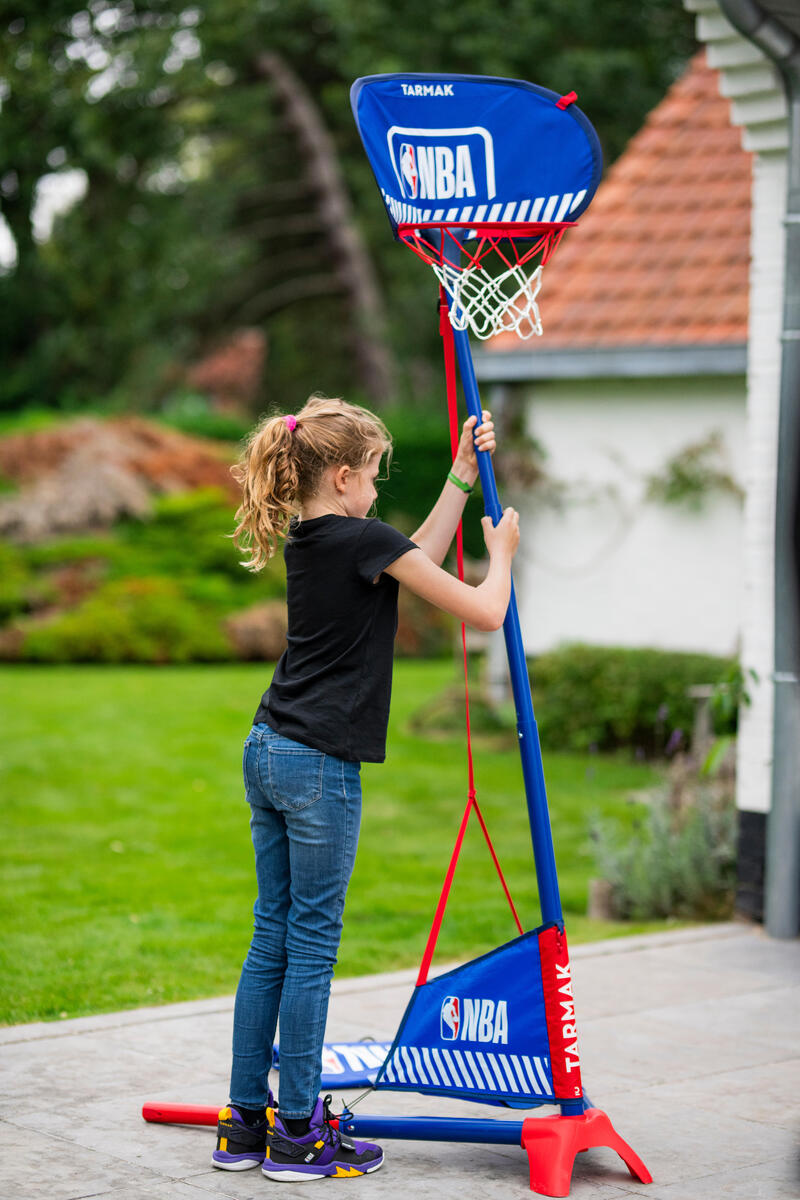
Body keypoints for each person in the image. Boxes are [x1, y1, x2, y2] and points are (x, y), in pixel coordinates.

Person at [212, 394, 519, 1180]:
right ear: (345, 478)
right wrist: (504, 551)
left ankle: (246, 1123)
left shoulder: (315, 537)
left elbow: (409, 550)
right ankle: (300, 1135)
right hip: (318, 765)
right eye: (375, 476)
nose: (378, 491)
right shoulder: (364, 538)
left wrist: (458, 478)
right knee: (311, 943)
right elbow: (484, 612)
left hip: (267, 747)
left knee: (271, 936)